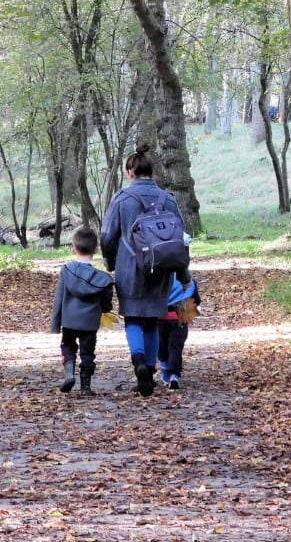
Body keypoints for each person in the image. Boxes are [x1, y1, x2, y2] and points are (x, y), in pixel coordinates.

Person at [100, 144, 191, 397]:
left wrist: (110, 264)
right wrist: (184, 275)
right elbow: (181, 240)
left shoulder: (122, 199)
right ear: (152, 172)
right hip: (162, 270)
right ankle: (149, 370)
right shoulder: (168, 199)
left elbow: (107, 236)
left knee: (133, 318)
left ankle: (139, 361)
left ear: (130, 172)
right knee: (152, 320)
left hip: (130, 269)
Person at [50, 226, 115, 397]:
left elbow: (59, 298)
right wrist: (106, 309)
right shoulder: (102, 279)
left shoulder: (67, 271)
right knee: (88, 354)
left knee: (67, 346)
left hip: (69, 320)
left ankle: (69, 374)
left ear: (73, 249)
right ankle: (86, 386)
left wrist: (55, 324)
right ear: (96, 249)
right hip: (90, 322)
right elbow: (106, 303)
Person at [159, 275, 199, 390]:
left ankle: (165, 369)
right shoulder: (188, 280)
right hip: (180, 317)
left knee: (161, 345)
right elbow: (197, 300)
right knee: (175, 347)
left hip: (159, 318)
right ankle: (174, 375)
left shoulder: (157, 277)